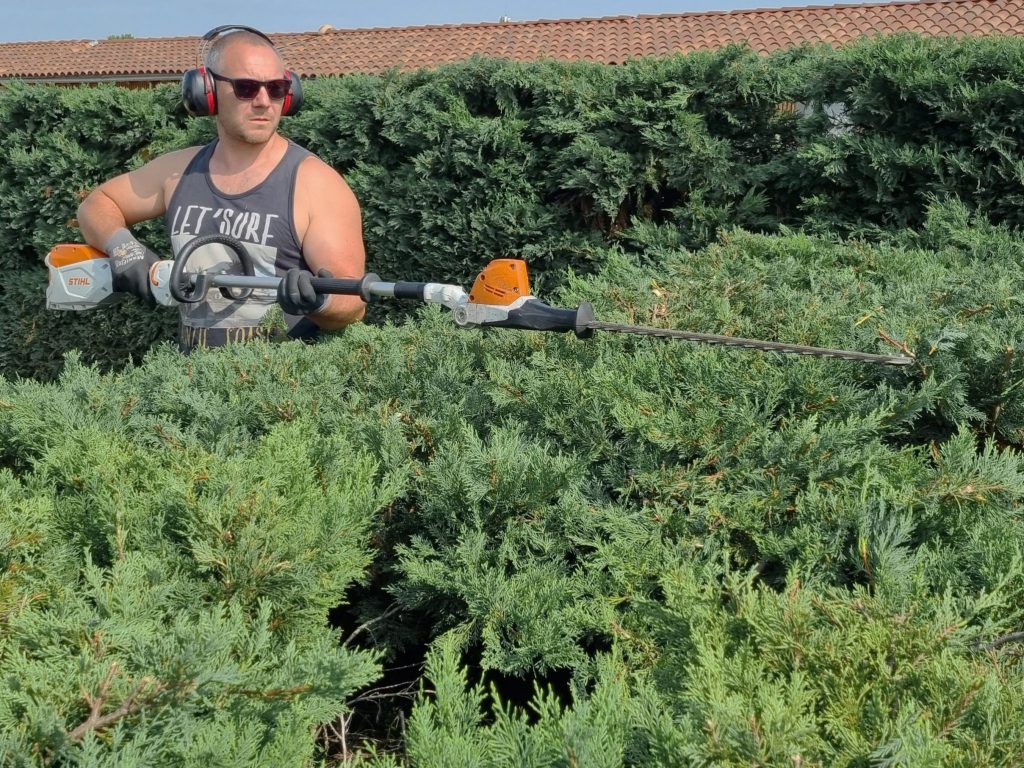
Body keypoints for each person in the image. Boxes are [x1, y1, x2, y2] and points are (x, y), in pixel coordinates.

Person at [76, 26, 366, 352]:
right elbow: (97, 205)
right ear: (206, 90)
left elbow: (352, 302)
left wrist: (319, 301)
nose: (263, 102)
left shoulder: (316, 184)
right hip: (194, 389)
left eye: (276, 88)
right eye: (245, 87)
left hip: (281, 395)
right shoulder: (178, 172)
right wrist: (126, 251)